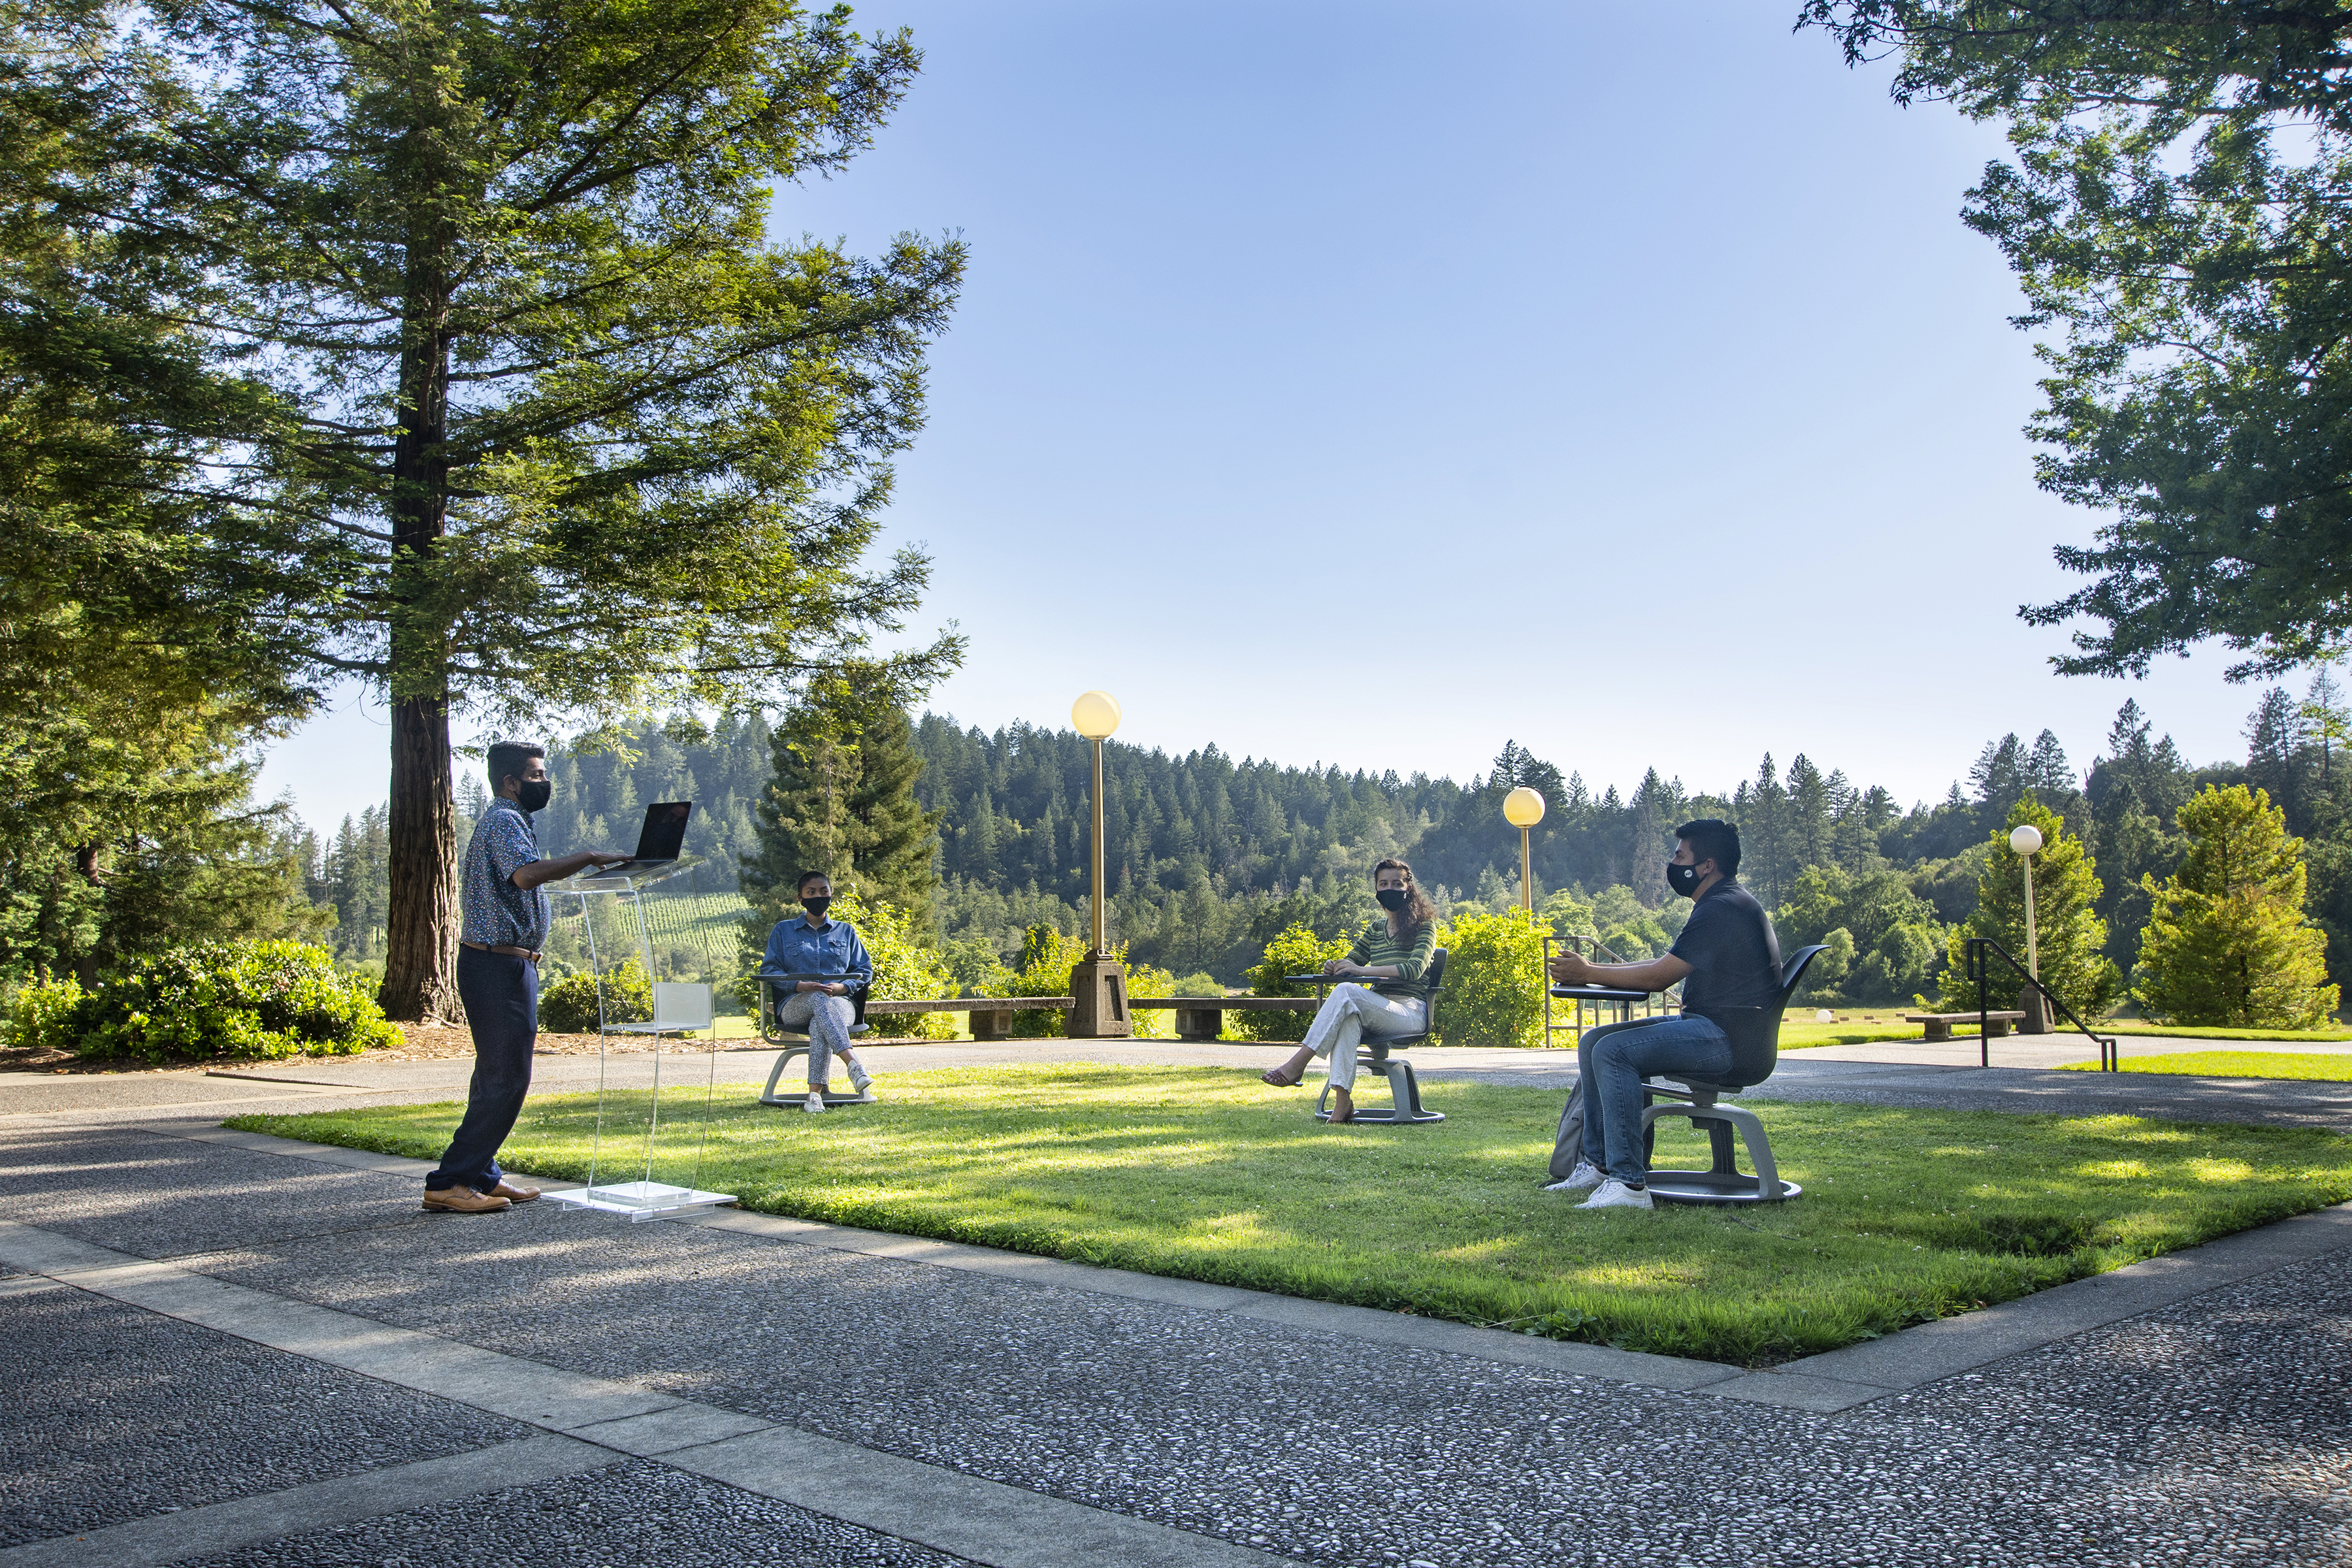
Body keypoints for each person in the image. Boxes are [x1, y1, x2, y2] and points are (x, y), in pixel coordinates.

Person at [423, 740, 629, 1214]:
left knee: (494, 1076)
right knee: (507, 1078)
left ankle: (480, 1175)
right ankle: (449, 1181)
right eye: (535, 776)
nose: (544, 783)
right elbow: (525, 877)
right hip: (497, 966)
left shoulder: (512, 821)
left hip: (506, 964)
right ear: (509, 782)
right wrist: (588, 856)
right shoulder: (503, 821)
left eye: (543, 774)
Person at [1543, 818, 1780, 1211]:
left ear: (1706, 866)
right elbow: (1665, 962)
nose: (1673, 863)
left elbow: (1658, 977)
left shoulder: (1721, 907)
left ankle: (1628, 1183)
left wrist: (1588, 973)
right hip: (1713, 1029)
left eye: (1679, 855)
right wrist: (1592, 971)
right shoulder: (1723, 902)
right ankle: (1600, 1166)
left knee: (1613, 1051)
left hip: (1728, 1041)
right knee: (1595, 1041)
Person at [1259, 859, 1437, 1121]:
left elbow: (1414, 969)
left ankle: (1297, 1065)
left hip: (1409, 1010)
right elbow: (1352, 961)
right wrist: (1335, 966)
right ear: (1376, 890)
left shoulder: (1425, 925)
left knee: (1346, 993)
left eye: (1397, 884)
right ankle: (1342, 1104)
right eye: (1383, 884)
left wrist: (1361, 971)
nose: (1390, 889)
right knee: (1348, 1018)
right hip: (1377, 1008)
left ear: (1409, 888)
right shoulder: (1376, 929)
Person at [758, 872, 875, 1113]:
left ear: (831, 895)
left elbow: (864, 969)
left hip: (841, 1003)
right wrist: (799, 986)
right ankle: (853, 1064)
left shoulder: (846, 931)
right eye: (811, 892)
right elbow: (769, 969)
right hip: (795, 1004)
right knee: (817, 999)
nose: (818, 896)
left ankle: (814, 1097)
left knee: (819, 1021)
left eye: (824, 891)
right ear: (800, 898)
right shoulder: (783, 931)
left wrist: (844, 987)